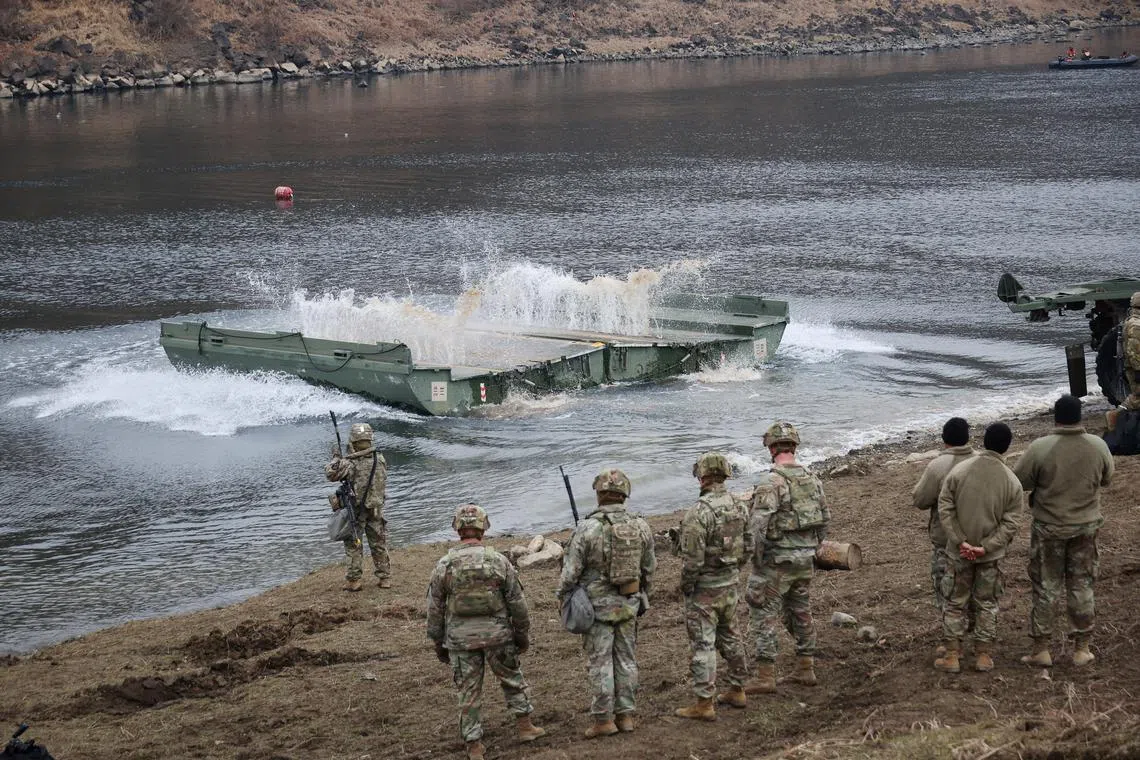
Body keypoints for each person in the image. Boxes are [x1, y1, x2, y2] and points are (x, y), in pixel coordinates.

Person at [426, 504, 546, 760]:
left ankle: (474, 746)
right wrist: (521, 634)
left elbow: (434, 608)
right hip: (498, 636)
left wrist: (438, 642)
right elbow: (517, 603)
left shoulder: (445, 564)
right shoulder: (498, 560)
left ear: (457, 528)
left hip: (461, 640)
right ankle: (525, 727)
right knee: (512, 680)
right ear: (484, 527)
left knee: (468, 692)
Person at [1013, 395, 1114, 668]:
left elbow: (1020, 481)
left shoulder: (1040, 447)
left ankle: (1041, 649)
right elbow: (1107, 478)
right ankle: (1082, 647)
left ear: (1055, 417)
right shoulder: (1098, 445)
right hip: (1085, 525)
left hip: (1049, 527)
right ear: (1080, 416)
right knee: (1082, 585)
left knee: (1046, 587)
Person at [557, 468, 656, 738]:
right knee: (626, 661)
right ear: (625, 494)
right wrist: (640, 594)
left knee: (600, 663)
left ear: (599, 494)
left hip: (595, 609)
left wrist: (563, 598)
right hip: (628, 603)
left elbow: (569, 575)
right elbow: (649, 568)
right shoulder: (640, 525)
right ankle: (626, 716)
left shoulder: (587, 528)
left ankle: (603, 720)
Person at [745, 422, 830, 693]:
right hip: (805, 559)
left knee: (763, 613)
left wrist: (755, 558)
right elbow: (825, 519)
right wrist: (814, 549)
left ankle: (765, 675)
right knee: (801, 610)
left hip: (777, 561)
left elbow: (758, 525)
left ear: (771, 448)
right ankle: (806, 667)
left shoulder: (771, 482)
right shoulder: (812, 478)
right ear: (794, 446)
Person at [935, 422, 1022, 673]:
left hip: (958, 552)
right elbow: (1011, 522)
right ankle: (983, 655)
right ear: (1007, 447)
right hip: (990, 556)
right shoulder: (1011, 481)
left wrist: (959, 539)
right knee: (986, 603)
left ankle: (952, 655)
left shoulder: (960, 471)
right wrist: (986, 547)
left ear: (983, 441)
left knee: (954, 602)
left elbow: (945, 507)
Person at [674, 452, 752, 720]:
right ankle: (738, 688)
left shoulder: (699, 512)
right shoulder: (739, 506)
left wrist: (686, 585)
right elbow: (749, 546)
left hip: (705, 589)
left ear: (702, 477)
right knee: (731, 635)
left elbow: (692, 560)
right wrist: (732, 569)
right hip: (729, 583)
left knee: (703, 645)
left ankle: (704, 703)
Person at [911, 418, 976, 630]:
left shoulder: (938, 466)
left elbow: (920, 500)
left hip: (946, 540)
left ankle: (952, 640)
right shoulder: (982, 461)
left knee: (946, 591)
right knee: (978, 590)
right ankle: (976, 633)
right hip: (980, 538)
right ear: (968, 438)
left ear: (944, 439)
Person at [324, 422, 390, 591]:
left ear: (353, 441)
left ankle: (354, 581)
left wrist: (336, 458)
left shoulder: (349, 464)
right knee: (378, 544)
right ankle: (385, 578)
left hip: (357, 511)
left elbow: (330, 474)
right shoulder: (379, 458)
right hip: (376, 509)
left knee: (353, 545)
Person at [1122, 292, 1140, 411]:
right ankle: (1117, 415)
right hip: (1137, 371)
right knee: (1137, 401)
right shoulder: (1136, 325)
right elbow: (1134, 352)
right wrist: (1139, 371)